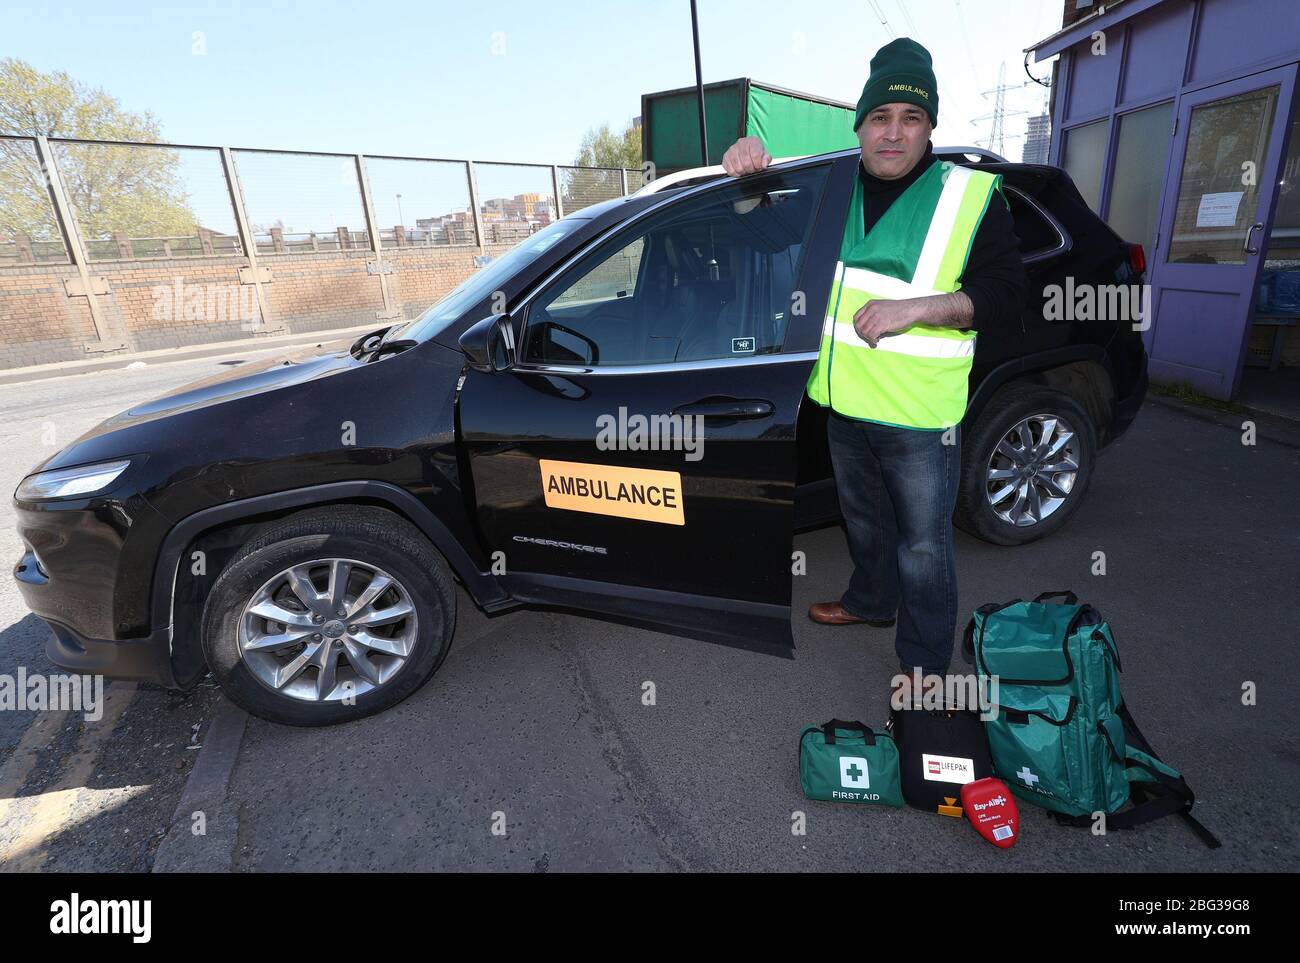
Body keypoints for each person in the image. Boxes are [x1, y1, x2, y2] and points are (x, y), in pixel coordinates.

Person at [721, 38, 1029, 697]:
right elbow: (767, 237)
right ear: (860, 124)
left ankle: (924, 674)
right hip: (843, 405)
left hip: (920, 417)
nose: (894, 132)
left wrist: (922, 306)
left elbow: (1008, 297)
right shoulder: (831, 191)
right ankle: (869, 599)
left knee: (923, 548)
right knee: (864, 521)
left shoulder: (971, 196)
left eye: (910, 118)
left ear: (928, 127)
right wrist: (748, 177)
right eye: (880, 116)